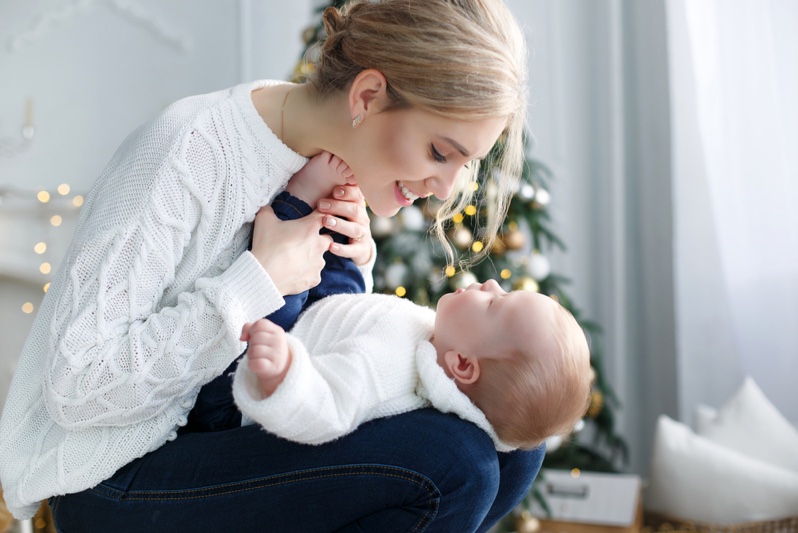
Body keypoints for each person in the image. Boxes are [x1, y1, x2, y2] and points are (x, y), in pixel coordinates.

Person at [0, 0, 539, 530]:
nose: (446, 189)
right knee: (455, 464)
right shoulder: (188, 150)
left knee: (515, 443)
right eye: (440, 153)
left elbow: (316, 368)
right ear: (368, 95)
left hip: (233, 428)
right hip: (114, 472)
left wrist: (353, 266)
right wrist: (254, 282)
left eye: (464, 163)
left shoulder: (337, 166)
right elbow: (76, 386)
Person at [234, 280, 592, 452]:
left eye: (494, 303)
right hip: (322, 313)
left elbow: (328, 408)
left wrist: (282, 372)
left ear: (463, 365)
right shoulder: (437, 342)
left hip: (253, 371)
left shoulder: (389, 366)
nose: (491, 283)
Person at [186, 150, 365, 433]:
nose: (462, 288)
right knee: (346, 293)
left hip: (232, 412)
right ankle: (331, 216)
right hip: (314, 351)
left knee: (280, 306)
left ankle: (298, 203)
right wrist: (363, 252)